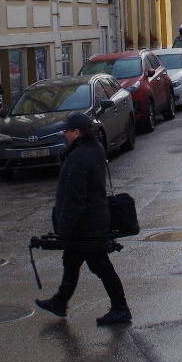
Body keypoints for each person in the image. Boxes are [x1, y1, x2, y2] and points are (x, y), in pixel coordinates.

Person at [34, 112, 131, 326]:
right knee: (71, 261)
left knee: (100, 265)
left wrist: (64, 229)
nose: (64, 134)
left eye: (66, 131)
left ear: (76, 133)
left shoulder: (78, 158)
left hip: (85, 225)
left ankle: (121, 308)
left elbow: (74, 198)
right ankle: (60, 302)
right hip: (93, 218)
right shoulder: (94, 148)